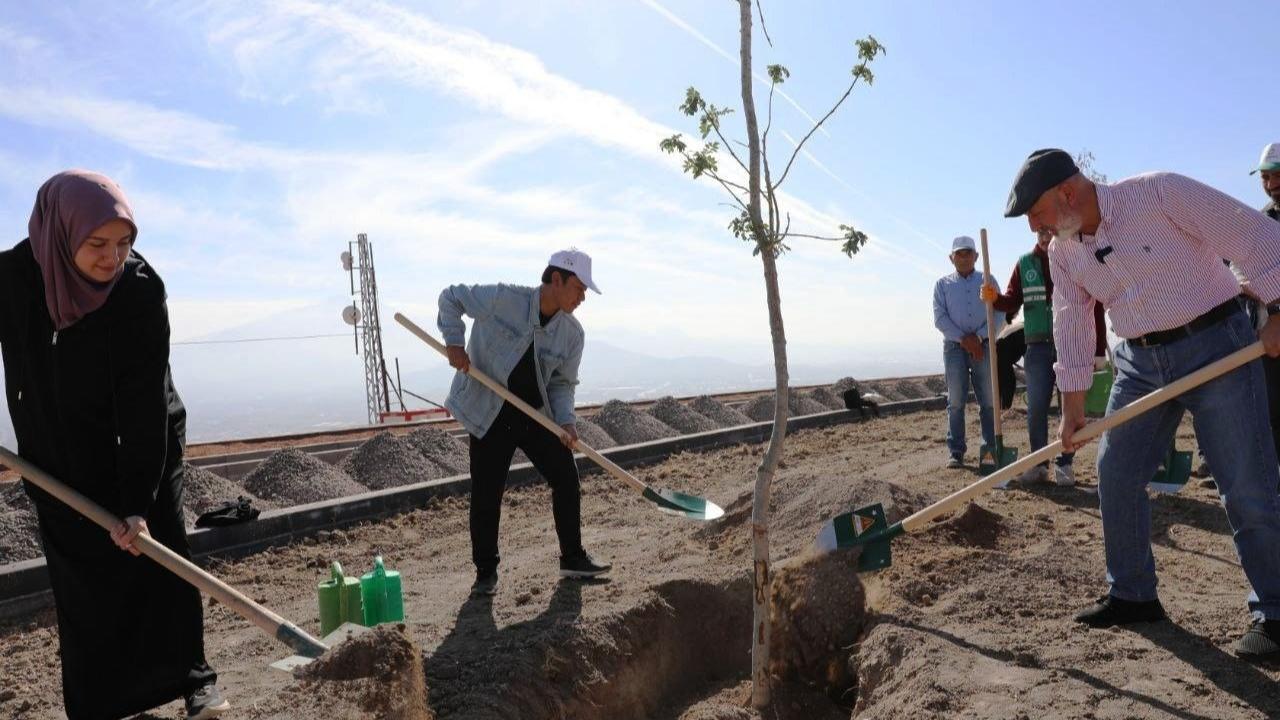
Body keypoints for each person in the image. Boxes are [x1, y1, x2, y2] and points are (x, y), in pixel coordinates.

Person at [1004, 148, 1280, 660]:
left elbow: (1256, 237)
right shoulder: (1063, 252)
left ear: (1067, 193)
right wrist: (1071, 407)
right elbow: (1070, 323)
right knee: (1116, 471)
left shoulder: (1159, 193)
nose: (1033, 228)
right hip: (1138, 363)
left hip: (1216, 342)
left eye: (1036, 214)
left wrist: (1278, 309)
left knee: (1245, 483)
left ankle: (1277, 612)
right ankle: (1132, 593)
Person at [0, 171, 228, 718]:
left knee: (162, 553)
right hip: (54, 451)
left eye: (125, 243)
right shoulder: (13, 277)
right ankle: (97, 703)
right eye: (98, 244)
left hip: (143, 436)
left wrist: (135, 505)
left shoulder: (139, 292)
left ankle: (194, 678)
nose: (114, 257)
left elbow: (143, 407)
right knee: (80, 578)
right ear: (59, 234)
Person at [439, 248, 612, 596]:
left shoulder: (572, 334)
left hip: (535, 413)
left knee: (565, 476)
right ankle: (485, 572)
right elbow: (452, 297)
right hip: (490, 408)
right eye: (579, 289)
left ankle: (572, 558)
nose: (582, 298)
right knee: (488, 492)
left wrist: (566, 421)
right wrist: (454, 342)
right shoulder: (504, 299)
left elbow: (562, 384)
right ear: (557, 279)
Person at [980, 230, 1109, 486]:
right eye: (1041, 232)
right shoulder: (1025, 264)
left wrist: (1098, 349)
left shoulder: (1075, 259)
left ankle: (1065, 465)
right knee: (1036, 408)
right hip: (1037, 347)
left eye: (1050, 231)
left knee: (1069, 410)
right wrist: (994, 299)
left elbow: (1095, 305)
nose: (1045, 236)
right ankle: (1039, 465)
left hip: (1070, 344)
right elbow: (1011, 301)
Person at [932, 235, 998, 468]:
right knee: (956, 400)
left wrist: (979, 337)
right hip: (954, 348)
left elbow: (998, 314)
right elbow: (940, 318)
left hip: (984, 345)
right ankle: (956, 451)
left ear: (976, 256)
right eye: (959, 253)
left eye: (967, 252)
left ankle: (991, 451)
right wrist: (964, 340)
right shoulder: (942, 285)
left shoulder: (988, 281)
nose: (963, 257)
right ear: (951, 258)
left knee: (988, 400)